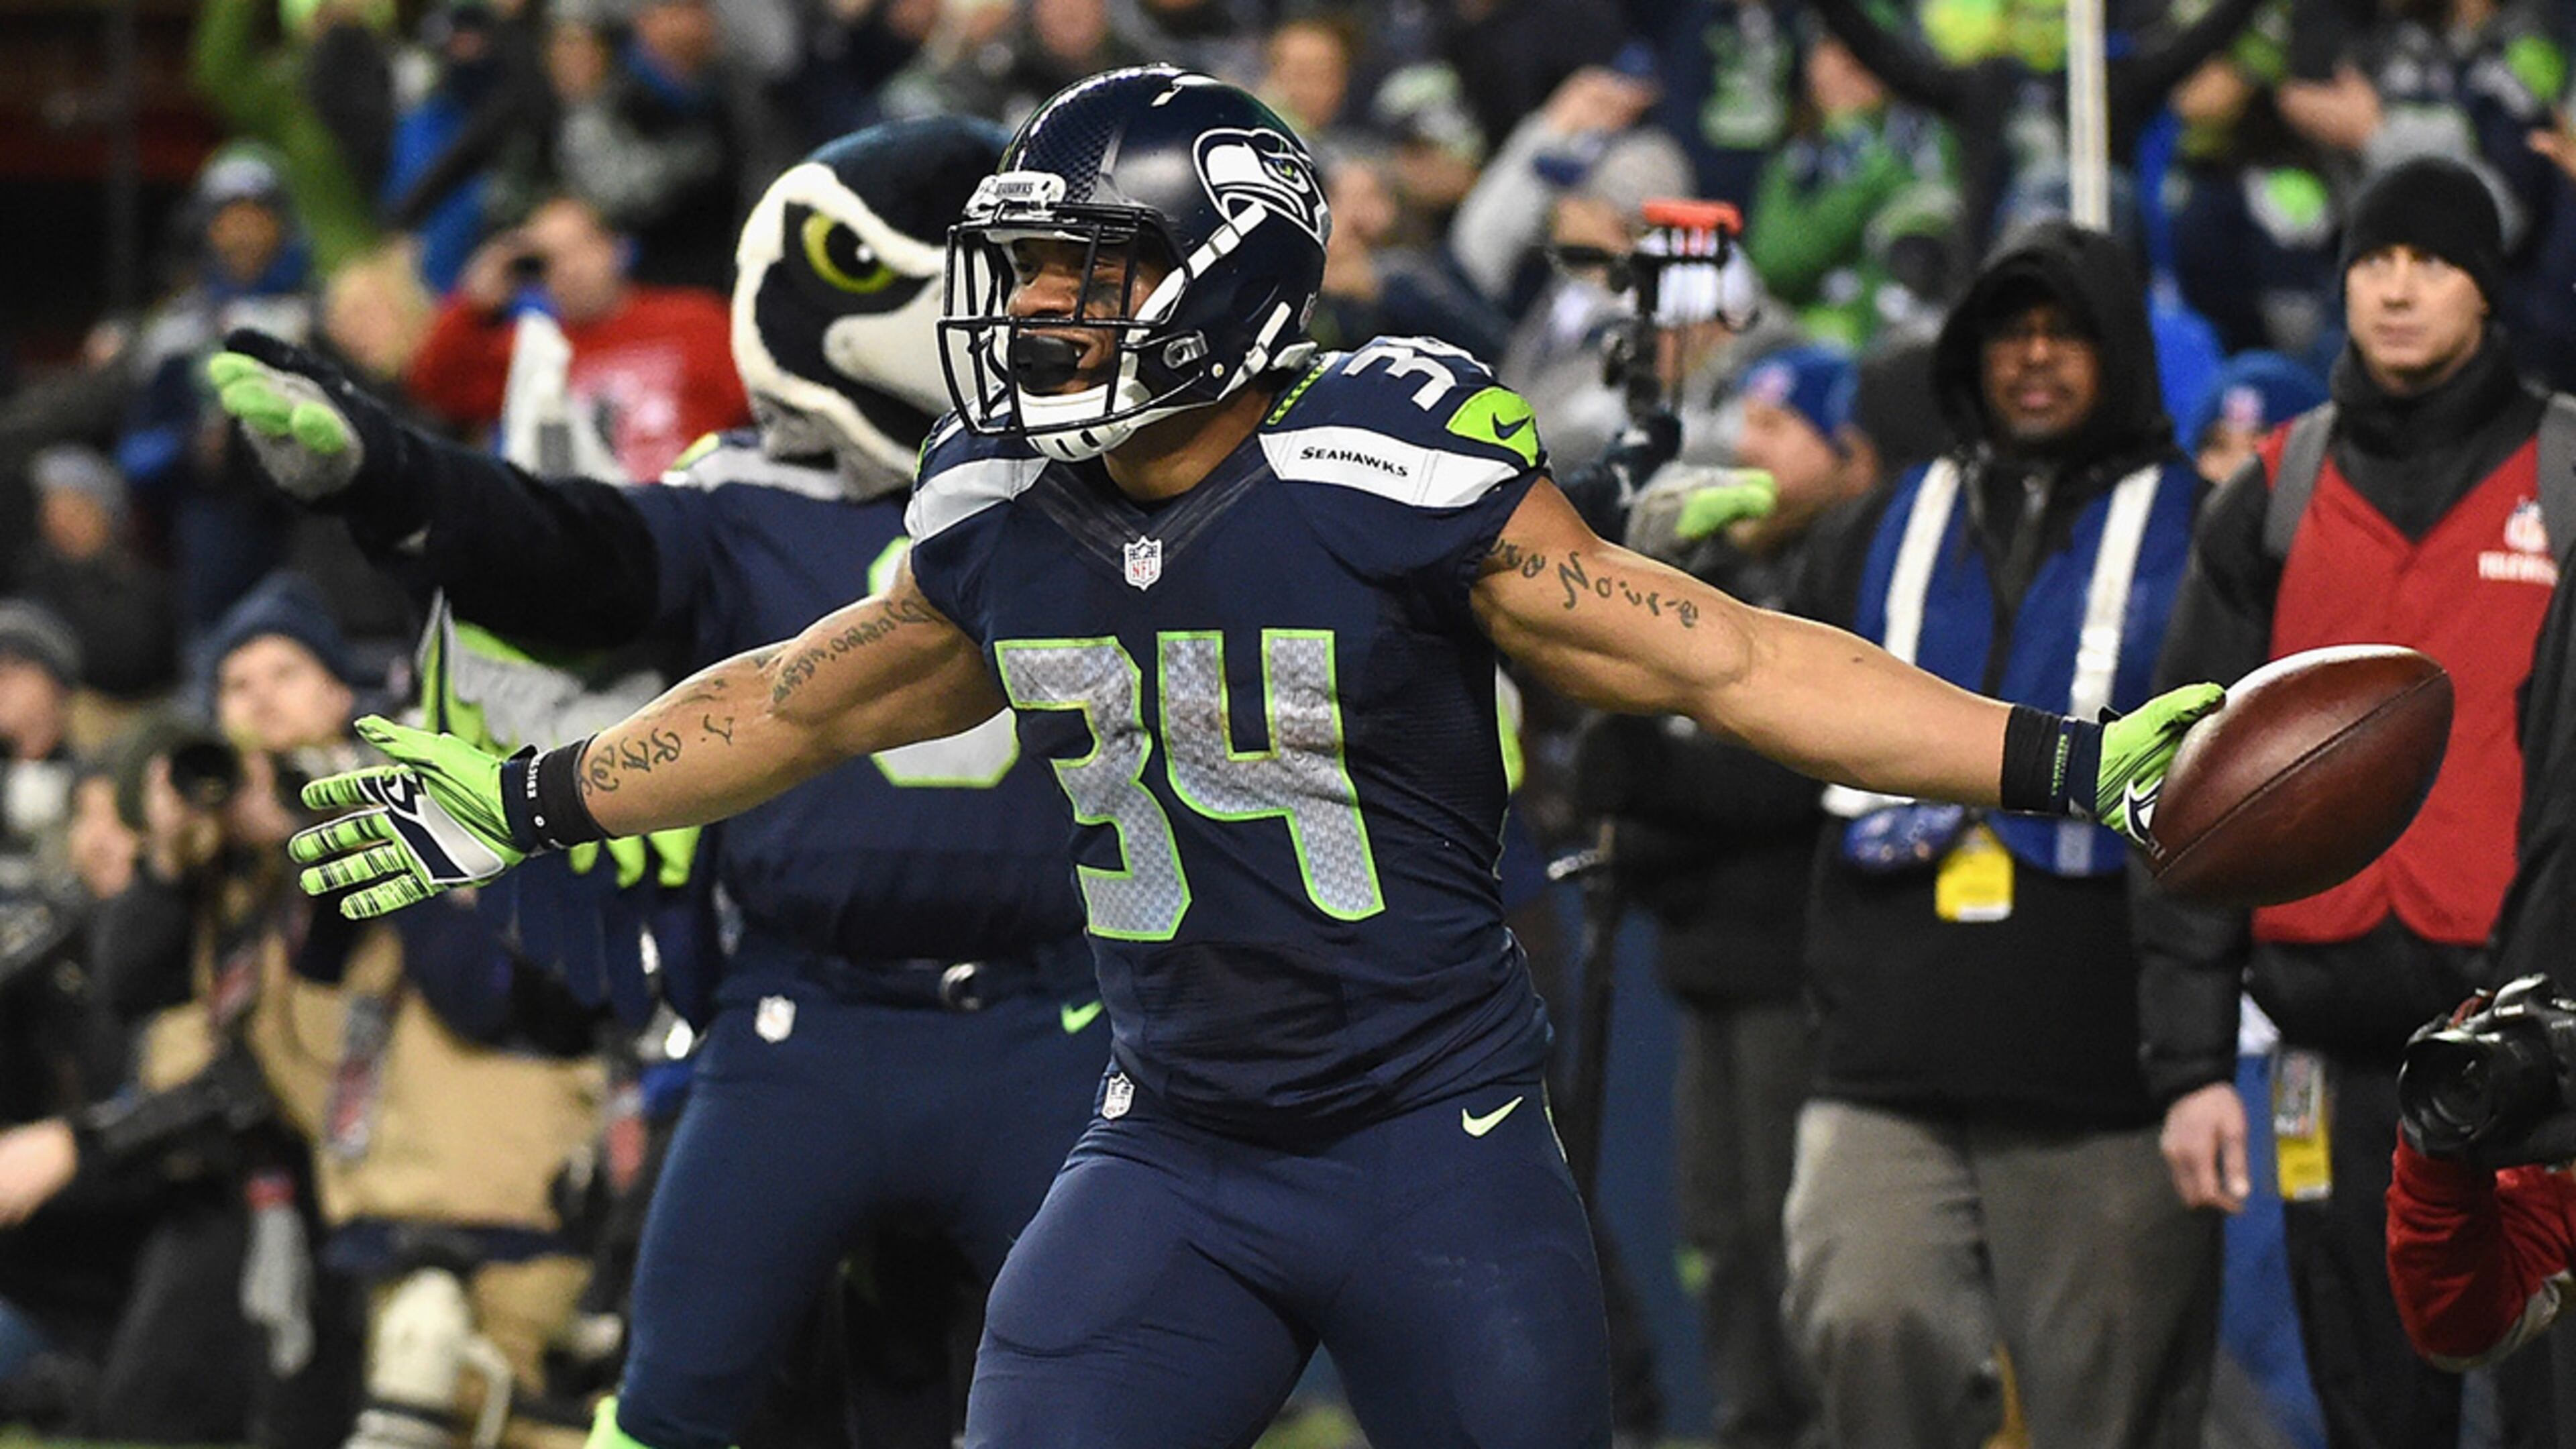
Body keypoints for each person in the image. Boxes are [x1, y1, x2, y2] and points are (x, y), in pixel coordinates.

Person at [213, 68, 2220, 1448]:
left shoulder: (1384, 488)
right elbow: (803, 695)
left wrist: (2066, 759)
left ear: (1219, 280)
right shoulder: (1001, 510)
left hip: (1429, 1146)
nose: (1022, 324)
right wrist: (530, 799)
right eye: (1021, 279)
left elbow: (1734, 664)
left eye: (1073, 281)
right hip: (1168, 1142)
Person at [217, 119, 1106, 1449]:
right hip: (809, 1021)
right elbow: (570, 550)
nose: (1034, 309)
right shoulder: (743, 497)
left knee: (1103, 1408)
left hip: (1059, 1016)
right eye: (998, 271)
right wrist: (394, 475)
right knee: (671, 1405)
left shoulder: (1096, 490)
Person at [2139, 154, 2573, 1449]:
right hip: (2331, 1050)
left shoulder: (2567, 476)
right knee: (2371, 1416)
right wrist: (2189, 1060)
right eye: (2375, 261)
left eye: (2432, 262)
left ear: (2486, 291)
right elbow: (2182, 786)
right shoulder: (2272, 491)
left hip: (2541, 1046)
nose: (2397, 289)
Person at [1776, 219, 2221, 1449]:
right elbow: (1769, 729)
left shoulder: (2210, 531)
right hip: (1885, 1056)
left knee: (2108, 1413)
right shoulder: (1876, 523)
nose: (2032, 358)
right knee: (1867, 1324)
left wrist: (2198, 1056)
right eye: (2007, 333)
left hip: (2108, 1072)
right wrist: (1635, 731)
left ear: (2120, 353)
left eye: (2063, 332)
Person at [1575, 343, 1870, 1449]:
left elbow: (1788, 773)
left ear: (1849, 457)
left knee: (1792, 1230)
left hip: (1798, 972)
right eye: (1747, 421)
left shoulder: (1837, 573)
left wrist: (1652, 781)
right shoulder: (1724, 577)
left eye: (1782, 429)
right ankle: (1751, 1423)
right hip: (1706, 964)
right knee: (1720, 1232)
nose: (1751, 448)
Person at [405, 194, 747, 482]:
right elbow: (436, 383)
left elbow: (756, 406)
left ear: (615, 248)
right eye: (551, 259)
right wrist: (474, 300)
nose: (570, 269)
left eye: (580, 247)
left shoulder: (696, 320)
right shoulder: (533, 353)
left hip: (699, 511)